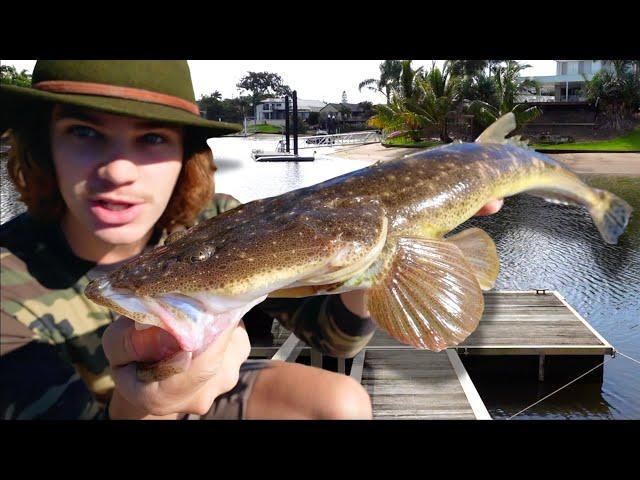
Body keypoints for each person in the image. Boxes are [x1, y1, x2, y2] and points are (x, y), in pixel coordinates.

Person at [0, 60, 503, 420]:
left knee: (343, 403)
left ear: (185, 154)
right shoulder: (7, 282)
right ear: (41, 143)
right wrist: (141, 407)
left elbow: (330, 337)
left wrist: (378, 249)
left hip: (214, 392)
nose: (118, 169)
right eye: (84, 132)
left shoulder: (221, 220)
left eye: (152, 138)